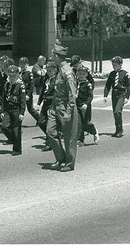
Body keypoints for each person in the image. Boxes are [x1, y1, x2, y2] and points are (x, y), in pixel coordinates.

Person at [46, 44, 78, 172]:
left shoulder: (67, 71)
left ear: (58, 56)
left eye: (53, 55)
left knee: (69, 137)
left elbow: (72, 94)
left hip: (66, 107)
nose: (51, 57)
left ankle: (69, 163)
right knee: (50, 131)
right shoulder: (59, 69)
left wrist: (69, 112)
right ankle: (61, 157)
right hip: (56, 106)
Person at [0, 65, 26, 156]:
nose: (11, 78)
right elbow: (3, 98)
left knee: (16, 130)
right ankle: (12, 139)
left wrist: (22, 112)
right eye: (10, 75)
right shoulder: (7, 85)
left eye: (13, 76)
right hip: (8, 109)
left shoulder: (20, 86)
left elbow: (23, 101)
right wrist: (2, 111)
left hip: (16, 110)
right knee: (4, 126)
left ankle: (17, 149)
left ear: (17, 75)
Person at [104, 56, 130, 138]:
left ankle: (120, 130)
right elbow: (108, 85)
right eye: (113, 65)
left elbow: (128, 86)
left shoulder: (125, 74)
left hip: (121, 94)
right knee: (115, 113)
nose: (113, 66)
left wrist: (126, 97)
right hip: (114, 94)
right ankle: (117, 129)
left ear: (120, 64)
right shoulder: (112, 74)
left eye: (115, 65)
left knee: (117, 111)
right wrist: (105, 95)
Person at [36, 60, 58, 151]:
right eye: (47, 70)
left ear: (55, 70)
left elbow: (57, 93)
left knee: (50, 123)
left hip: (52, 103)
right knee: (41, 122)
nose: (48, 72)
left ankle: (50, 142)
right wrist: (38, 102)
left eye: (50, 70)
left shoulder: (57, 80)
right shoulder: (46, 79)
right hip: (45, 102)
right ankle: (52, 136)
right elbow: (42, 91)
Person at [76, 65, 99, 146]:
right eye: (80, 73)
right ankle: (81, 140)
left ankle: (94, 131)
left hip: (85, 105)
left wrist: (86, 104)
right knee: (78, 123)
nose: (81, 75)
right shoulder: (75, 83)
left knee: (86, 123)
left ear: (86, 75)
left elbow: (90, 96)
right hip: (77, 105)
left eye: (83, 73)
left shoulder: (87, 84)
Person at [19, 57, 39, 126]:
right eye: (21, 63)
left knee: (30, 109)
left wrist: (28, 94)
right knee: (20, 109)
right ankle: (18, 122)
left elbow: (32, 85)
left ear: (27, 64)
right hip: (21, 94)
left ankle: (39, 119)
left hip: (27, 94)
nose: (22, 65)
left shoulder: (28, 73)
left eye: (24, 64)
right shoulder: (19, 73)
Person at [0, 55, 11, 131]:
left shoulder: (8, 73)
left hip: (5, 94)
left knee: (4, 109)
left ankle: (6, 124)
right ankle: (3, 122)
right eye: (0, 63)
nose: (1, 65)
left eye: (2, 63)